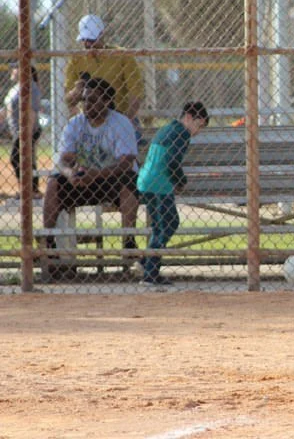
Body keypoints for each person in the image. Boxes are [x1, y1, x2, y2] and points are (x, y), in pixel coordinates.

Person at [42, 78, 139, 280]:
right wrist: (71, 175)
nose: (87, 105)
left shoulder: (120, 123)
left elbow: (126, 163)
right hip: (81, 179)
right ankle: (48, 242)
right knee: (54, 183)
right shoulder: (75, 123)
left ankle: (128, 240)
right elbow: (64, 159)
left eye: (93, 100)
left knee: (129, 181)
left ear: (107, 101)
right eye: (85, 100)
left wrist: (96, 174)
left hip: (111, 179)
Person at [137, 101, 210, 286]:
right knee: (169, 224)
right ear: (188, 117)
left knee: (160, 225)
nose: (197, 131)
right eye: (198, 125)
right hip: (159, 185)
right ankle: (150, 271)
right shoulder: (182, 133)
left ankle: (147, 262)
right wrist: (181, 181)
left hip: (148, 181)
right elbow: (171, 161)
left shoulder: (168, 128)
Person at [64, 14, 145, 141]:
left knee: (129, 141)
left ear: (102, 34)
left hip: (119, 114)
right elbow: (68, 100)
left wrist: (125, 121)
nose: (87, 44)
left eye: (91, 39)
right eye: (84, 39)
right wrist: (77, 91)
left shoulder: (122, 55)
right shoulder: (76, 59)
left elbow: (136, 93)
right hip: (90, 119)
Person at [4, 64, 42, 198]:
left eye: (16, 67)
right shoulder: (15, 88)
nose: (13, 70)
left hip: (26, 130)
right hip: (17, 130)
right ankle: (29, 190)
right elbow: (8, 109)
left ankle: (31, 190)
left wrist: (27, 134)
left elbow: (32, 111)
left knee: (18, 158)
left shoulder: (31, 87)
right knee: (22, 158)